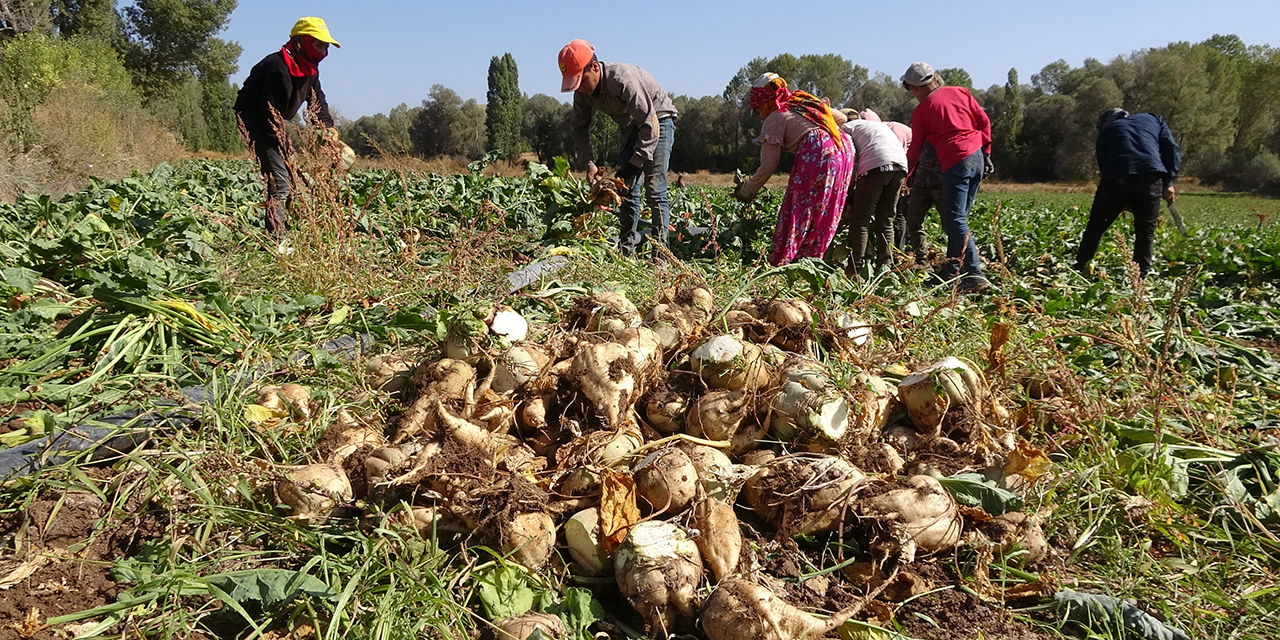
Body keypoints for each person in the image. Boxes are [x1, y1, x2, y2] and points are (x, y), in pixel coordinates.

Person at [559, 39, 678, 257]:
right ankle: (626, 252)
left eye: (581, 81)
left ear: (594, 67)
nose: (580, 88)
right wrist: (589, 163)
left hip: (657, 119)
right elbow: (579, 128)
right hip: (630, 126)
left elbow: (649, 124)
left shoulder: (623, 80)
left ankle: (661, 256)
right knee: (624, 190)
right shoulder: (582, 94)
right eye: (574, 84)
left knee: (654, 187)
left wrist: (636, 163)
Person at [234, 17, 341, 244]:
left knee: (293, 179)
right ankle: (277, 242)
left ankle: (294, 228)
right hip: (255, 119)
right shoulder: (277, 67)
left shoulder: (310, 70)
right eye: (318, 45)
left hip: (275, 121)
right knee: (280, 182)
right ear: (301, 42)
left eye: (325, 47)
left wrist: (326, 128)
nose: (323, 53)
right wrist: (284, 151)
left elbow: (317, 101)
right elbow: (269, 114)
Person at [733, 73, 854, 266]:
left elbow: (768, 165)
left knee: (798, 209)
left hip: (819, 153)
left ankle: (783, 264)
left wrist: (747, 189)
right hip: (843, 151)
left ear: (764, 104)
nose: (760, 115)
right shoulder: (801, 103)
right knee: (824, 211)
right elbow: (841, 118)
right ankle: (810, 263)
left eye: (757, 111)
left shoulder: (776, 116)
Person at [902, 62, 993, 292]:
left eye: (911, 88)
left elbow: (915, 149)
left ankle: (974, 273)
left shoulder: (922, 110)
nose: (912, 93)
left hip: (956, 161)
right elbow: (984, 122)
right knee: (958, 219)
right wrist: (987, 152)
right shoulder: (960, 91)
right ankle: (952, 272)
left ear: (916, 87)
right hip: (977, 156)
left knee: (955, 220)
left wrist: (906, 176)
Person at [1075, 108, 1181, 278]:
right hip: (1150, 177)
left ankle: (1079, 269)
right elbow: (1171, 150)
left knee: (1096, 227)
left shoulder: (1107, 132)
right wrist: (1168, 183)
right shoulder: (1154, 119)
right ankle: (1139, 279)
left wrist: (1120, 199)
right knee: (1145, 231)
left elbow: (1105, 167)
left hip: (1116, 178)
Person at [834, 109, 908, 272]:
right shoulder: (874, 126)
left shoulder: (846, 130)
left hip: (875, 167)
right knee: (886, 220)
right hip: (900, 166)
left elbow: (850, 160)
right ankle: (885, 267)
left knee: (860, 221)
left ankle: (855, 269)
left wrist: (849, 191)